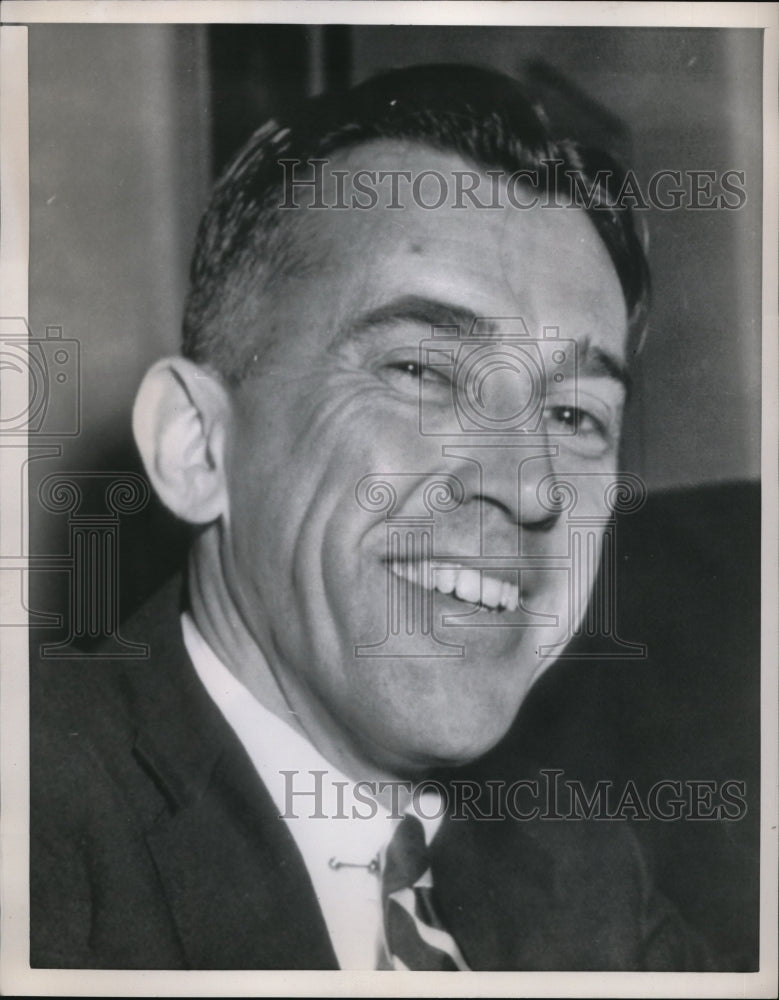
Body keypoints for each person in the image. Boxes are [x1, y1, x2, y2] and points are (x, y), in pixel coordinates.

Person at [30, 64, 715, 971]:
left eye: (572, 417)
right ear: (198, 447)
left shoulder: (579, 878)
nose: (530, 488)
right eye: (424, 374)